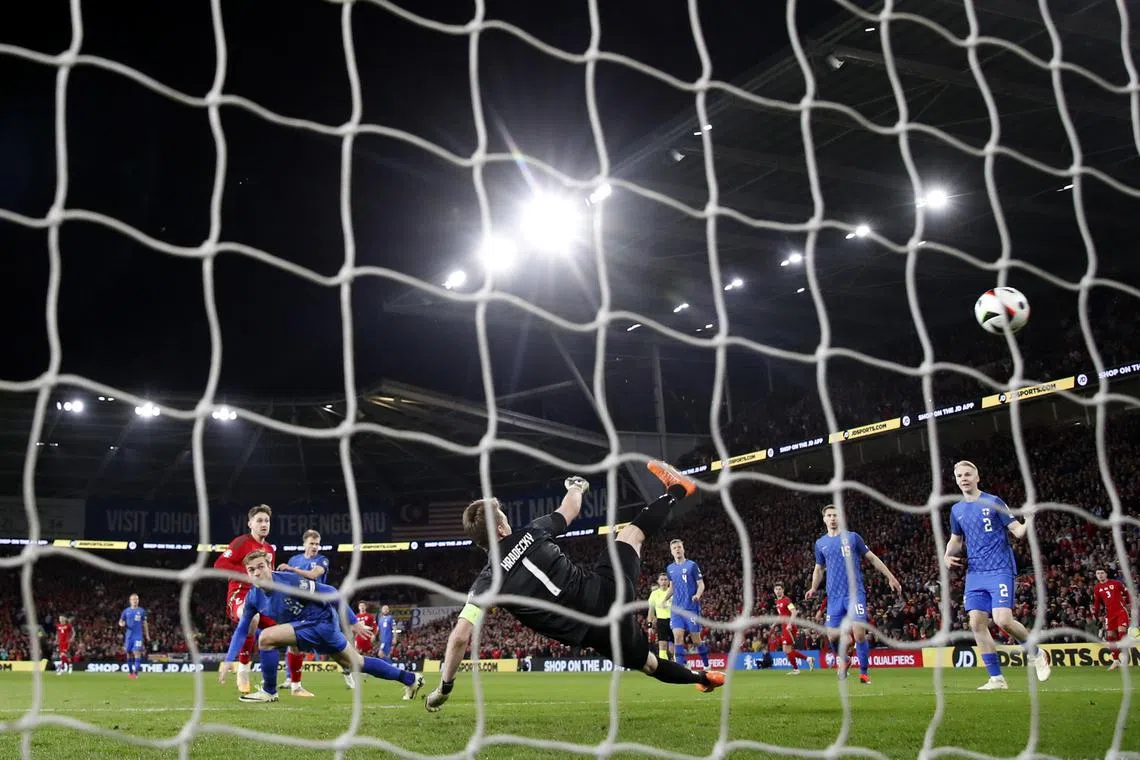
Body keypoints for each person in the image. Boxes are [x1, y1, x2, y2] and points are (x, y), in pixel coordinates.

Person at [423, 461, 725, 713]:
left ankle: (701, 677)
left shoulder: (486, 583)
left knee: (648, 664)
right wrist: (576, 487)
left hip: (594, 632)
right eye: (503, 515)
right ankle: (675, 490)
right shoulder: (534, 532)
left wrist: (445, 688)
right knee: (631, 534)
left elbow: (460, 636)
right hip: (607, 592)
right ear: (501, 527)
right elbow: (569, 509)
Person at [218, 550, 423, 703]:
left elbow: (331, 591)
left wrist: (352, 622)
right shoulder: (253, 597)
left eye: (260, 566)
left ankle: (269, 691)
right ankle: (411, 679)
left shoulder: (290, 581)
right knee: (356, 663)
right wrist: (229, 659)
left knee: (266, 638)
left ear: (269, 563)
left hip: (321, 623)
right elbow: (242, 628)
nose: (256, 573)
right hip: (313, 628)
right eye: (251, 570)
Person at [943, 460, 1052, 689]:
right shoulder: (956, 510)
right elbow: (956, 540)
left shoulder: (994, 502)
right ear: (956, 480)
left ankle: (1037, 653)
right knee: (976, 623)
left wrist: (1029, 519)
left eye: (968, 474)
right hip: (975, 573)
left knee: (1003, 619)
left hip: (1000, 568)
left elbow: (1018, 532)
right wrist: (946, 556)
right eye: (959, 475)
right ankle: (997, 678)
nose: (963, 478)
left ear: (977, 477)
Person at [213, 504, 311, 697]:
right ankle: (243, 670)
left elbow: (269, 578)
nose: (264, 524)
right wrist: (249, 572)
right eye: (259, 520)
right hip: (240, 597)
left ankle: (296, 686)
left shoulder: (269, 549)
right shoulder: (241, 542)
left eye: (266, 520)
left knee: (294, 630)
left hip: (263, 599)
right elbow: (219, 564)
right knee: (253, 619)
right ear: (250, 523)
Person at [807, 505, 902, 684]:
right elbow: (818, 568)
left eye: (836, 515)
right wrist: (813, 588)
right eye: (829, 515)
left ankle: (864, 673)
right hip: (834, 597)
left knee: (859, 634)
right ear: (824, 519)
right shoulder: (821, 544)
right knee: (832, 636)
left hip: (854, 594)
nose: (833, 518)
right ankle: (844, 660)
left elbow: (872, 558)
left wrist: (891, 577)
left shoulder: (852, 538)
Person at [280, 528, 333, 694]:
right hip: (297, 607)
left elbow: (313, 575)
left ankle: (348, 670)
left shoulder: (322, 560)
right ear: (304, 544)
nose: (315, 547)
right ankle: (291, 679)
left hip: (318, 608)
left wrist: (292, 570)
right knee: (292, 643)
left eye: (317, 544)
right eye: (312, 543)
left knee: (334, 646)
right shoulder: (294, 559)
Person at [666, 539, 709, 669]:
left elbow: (701, 584)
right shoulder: (670, 568)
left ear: (683, 549)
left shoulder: (692, 565)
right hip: (676, 609)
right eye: (674, 548)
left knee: (696, 640)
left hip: (691, 608)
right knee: (677, 637)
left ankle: (707, 665)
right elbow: (672, 587)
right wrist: (664, 599)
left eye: (679, 547)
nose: (677, 550)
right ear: (671, 552)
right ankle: (681, 667)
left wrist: (697, 595)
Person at [1092, 568, 1132, 671]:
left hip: (1120, 611)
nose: (1100, 575)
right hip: (1109, 614)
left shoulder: (1116, 583)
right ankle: (1115, 661)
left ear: (1106, 574)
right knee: (1110, 637)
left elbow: (1127, 593)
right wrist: (1096, 614)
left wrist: (1129, 604)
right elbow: (1097, 603)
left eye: (1102, 573)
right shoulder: (1097, 588)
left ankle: (1124, 657)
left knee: (1121, 632)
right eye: (1098, 573)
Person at [772, 583, 812, 674]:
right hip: (784, 627)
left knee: (787, 649)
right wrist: (775, 623)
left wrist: (789, 624)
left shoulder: (786, 600)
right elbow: (782, 615)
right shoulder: (777, 602)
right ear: (774, 591)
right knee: (786, 650)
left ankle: (796, 669)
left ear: (783, 590)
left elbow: (794, 612)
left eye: (779, 589)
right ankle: (808, 659)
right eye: (776, 589)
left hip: (789, 627)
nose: (778, 591)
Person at [345, 601, 377, 689]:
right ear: (359, 607)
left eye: (363, 606)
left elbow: (374, 626)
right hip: (358, 637)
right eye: (360, 606)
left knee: (367, 653)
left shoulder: (370, 616)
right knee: (357, 652)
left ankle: (367, 670)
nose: (362, 607)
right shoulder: (356, 616)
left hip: (367, 636)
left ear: (365, 607)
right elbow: (352, 627)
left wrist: (373, 634)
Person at [118, 594, 149, 680]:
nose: (135, 601)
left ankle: (136, 673)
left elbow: (145, 624)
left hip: (138, 636)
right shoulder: (126, 611)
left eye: (136, 599)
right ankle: (130, 671)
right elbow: (121, 621)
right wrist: (121, 624)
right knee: (128, 653)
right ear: (130, 601)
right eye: (133, 599)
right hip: (129, 636)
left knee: (137, 652)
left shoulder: (142, 611)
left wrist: (147, 635)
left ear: (138, 600)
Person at [646, 573, 673, 662]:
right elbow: (651, 611)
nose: (664, 581)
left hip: (674, 620)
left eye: (665, 579)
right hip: (661, 621)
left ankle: (678, 665)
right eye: (661, 579)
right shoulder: (654, 594)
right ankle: (666, 667)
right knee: (662, 645)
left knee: (675, 646)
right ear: (658, 581)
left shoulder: (673, 592)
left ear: (669, 581)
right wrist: (650, 626)